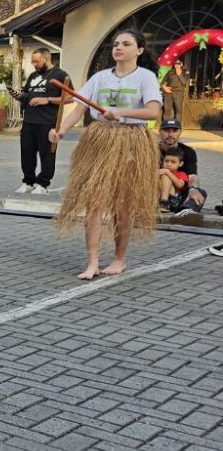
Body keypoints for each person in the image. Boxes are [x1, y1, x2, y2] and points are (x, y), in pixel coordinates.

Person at [50, 29, 161, 280]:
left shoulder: (145, 77)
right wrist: (61, 131)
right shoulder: (99, 77)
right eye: (115, 44)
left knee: (123, 204)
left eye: (126, 44)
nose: (118, 47)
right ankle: (92, 262)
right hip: (99, 139)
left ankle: (119, 259)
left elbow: (153, 111)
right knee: (94, 202)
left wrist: (121, 113)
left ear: (139, 50)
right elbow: (79, 109)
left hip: (131, 140)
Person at [12, 47, 68, 194]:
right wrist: (19, 96)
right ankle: (28, 182)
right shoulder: (33, 76)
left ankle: (43, 184)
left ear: (46, 58)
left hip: (47, 121)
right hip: (29, 121)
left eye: (36, 61)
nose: (34, 64)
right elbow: (26, 94)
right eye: (33, 61)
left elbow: (70, 97)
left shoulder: (60, 75)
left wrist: (48, 99)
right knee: (27, 153)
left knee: (47, 154)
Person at [158, 119, 207, 215]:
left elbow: (192, 176)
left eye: (175, 131)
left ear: (180, 132)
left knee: (200, 192)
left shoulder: (188, 152)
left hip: (179, 195)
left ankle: (186, 211)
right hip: (157, 192)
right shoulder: (152, 151)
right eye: (166, 130)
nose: (170, 134)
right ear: (159, 131)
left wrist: (193, 188)